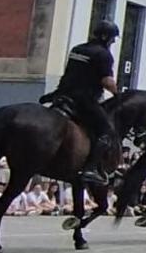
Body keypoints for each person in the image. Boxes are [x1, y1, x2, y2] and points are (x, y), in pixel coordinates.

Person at [45, 18, 120, 182]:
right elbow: (107, 81)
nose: (113, 41)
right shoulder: (103, 54)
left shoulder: (77, 49)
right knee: (106, 132)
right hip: (84, 100)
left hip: (62, 95)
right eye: (113, 38)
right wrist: (117, 93)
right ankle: (91, 168)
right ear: (106, 37)